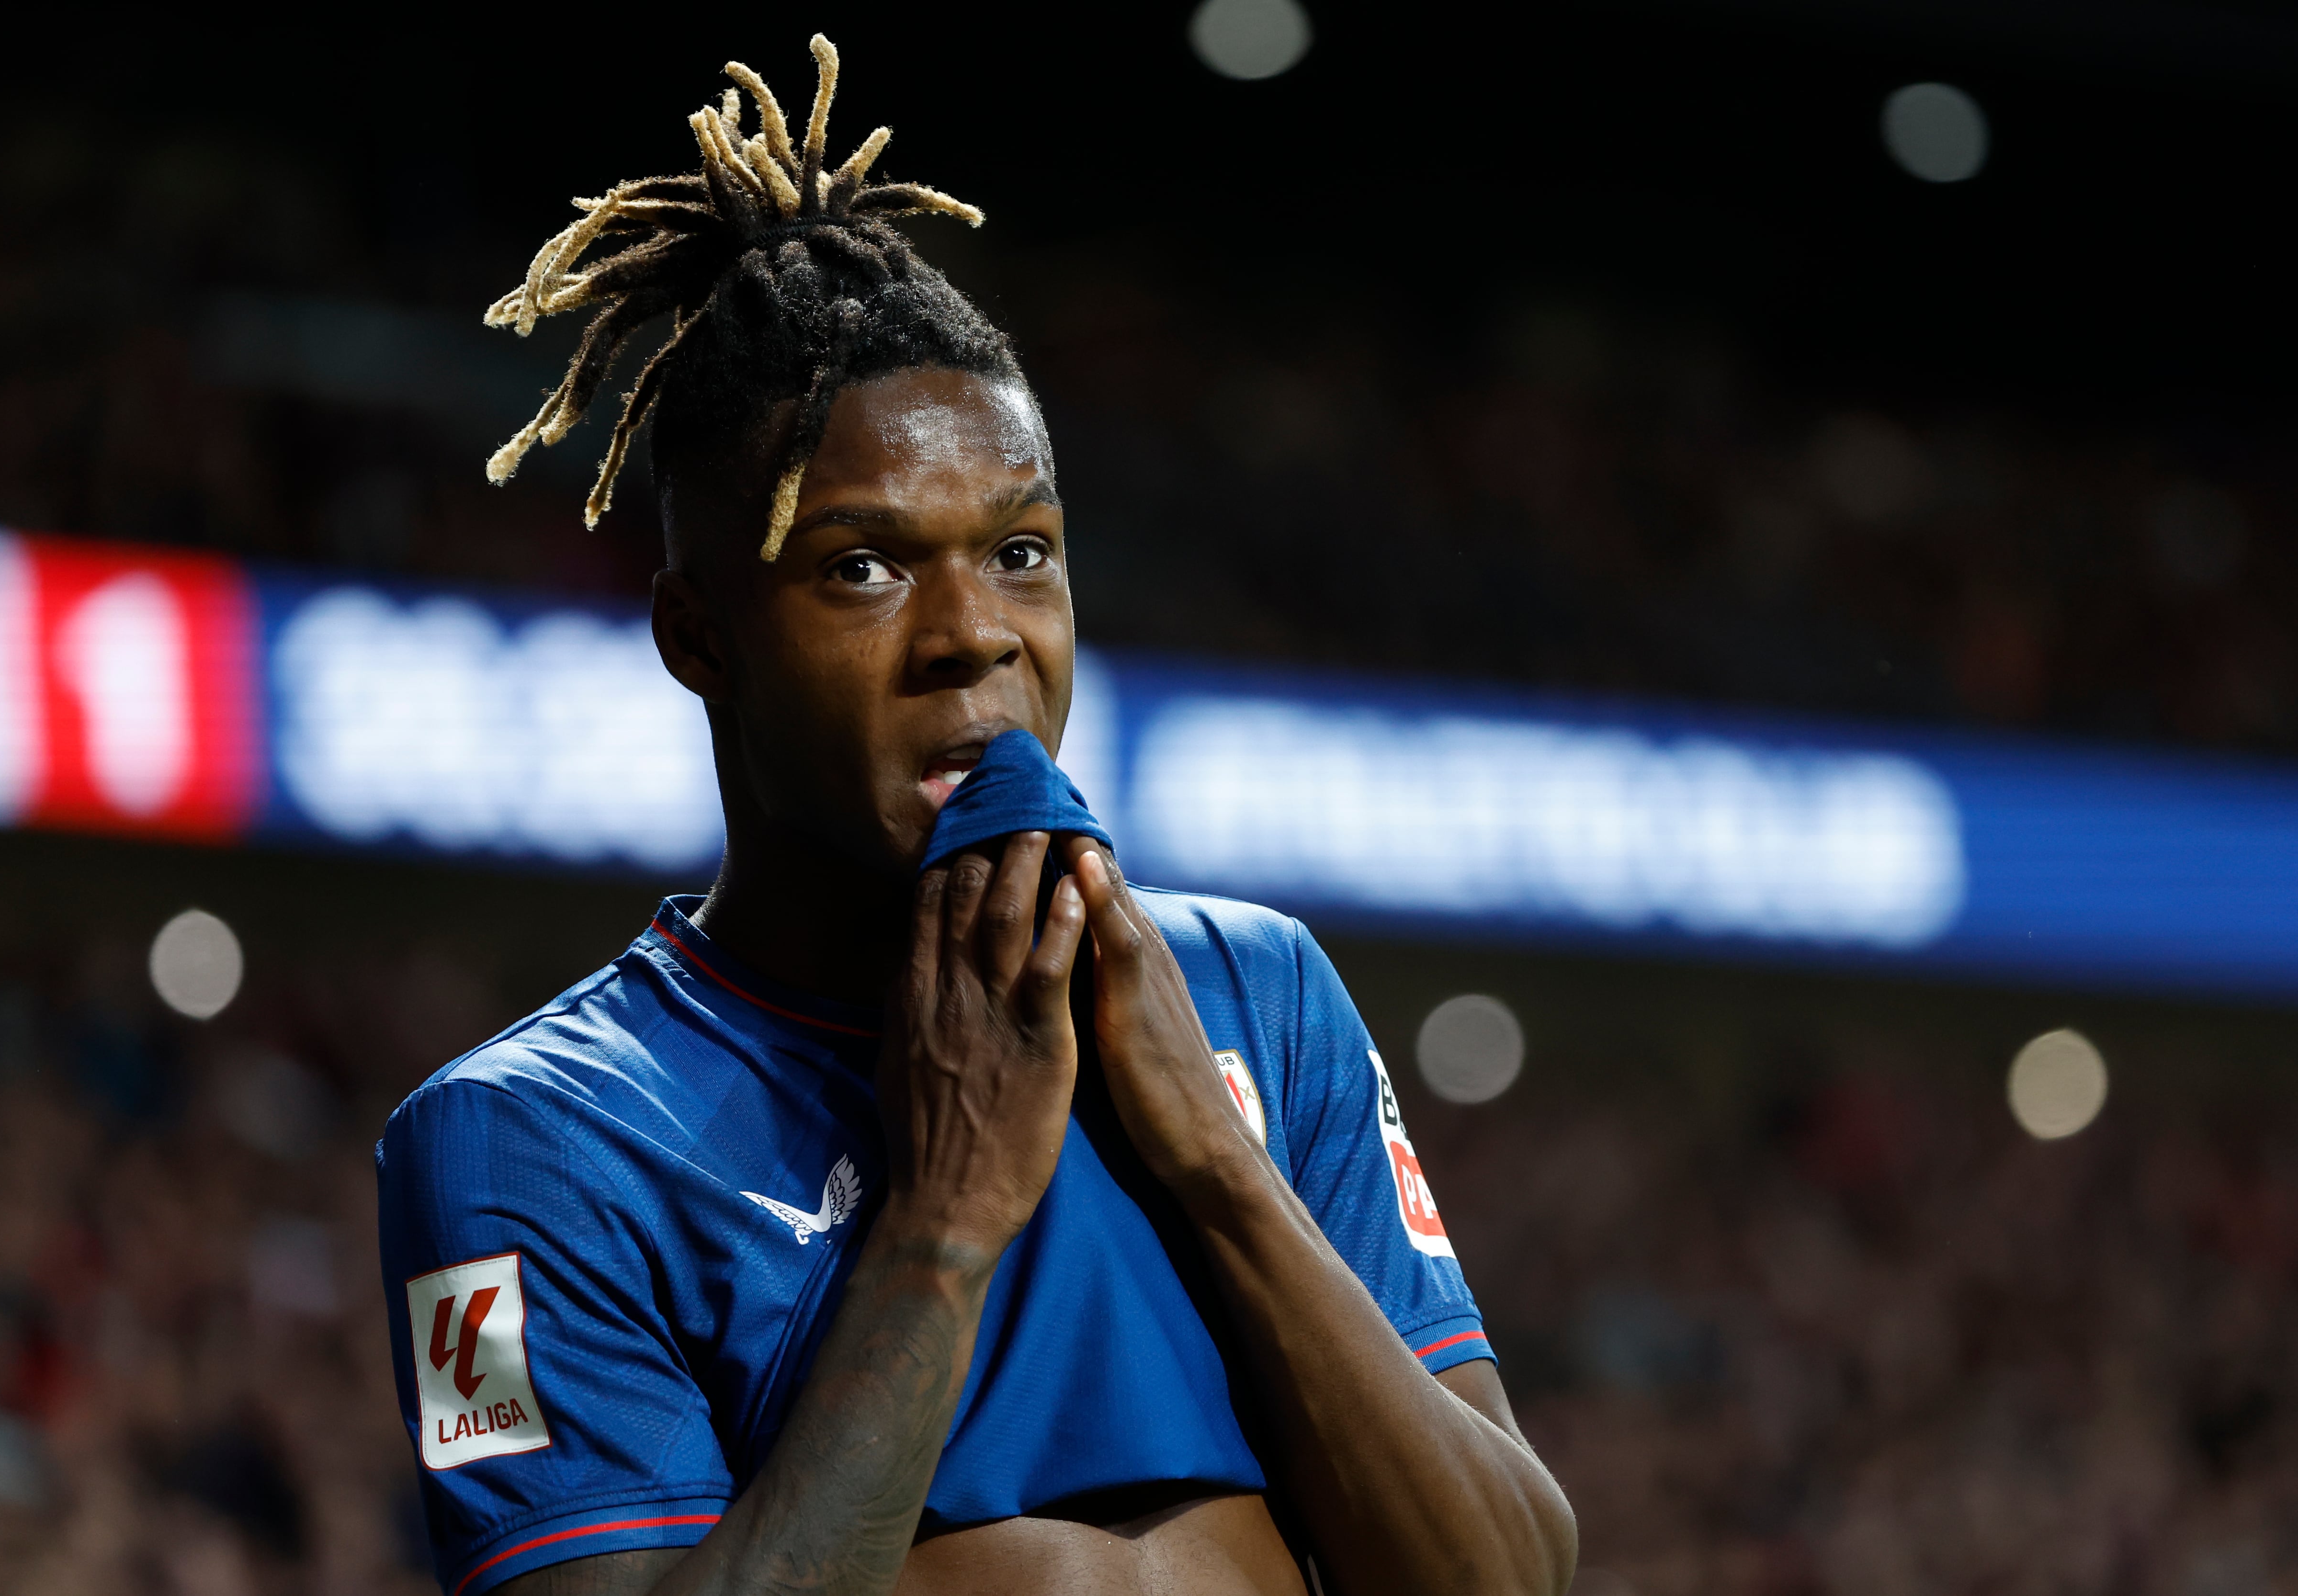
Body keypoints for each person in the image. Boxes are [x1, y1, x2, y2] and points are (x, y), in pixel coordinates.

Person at [375, 37, 1575, 1596]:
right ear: (698, 637)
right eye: (862, 568)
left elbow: (1507, 1580)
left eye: (1021, 552)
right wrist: (941, 1228)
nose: (975, 636)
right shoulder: (528, 1142)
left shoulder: (1260, 999)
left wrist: (1208, 1157)